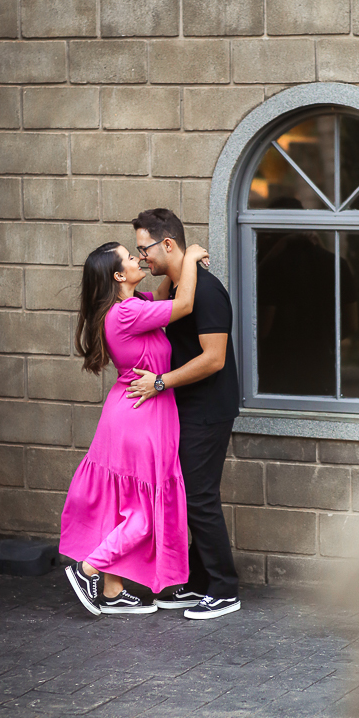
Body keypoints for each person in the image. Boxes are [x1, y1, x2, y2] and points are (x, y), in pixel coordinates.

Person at [60, 239, 209, 616]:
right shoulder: (125, 314)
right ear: (118, 275)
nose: (138, 258)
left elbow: (163, 290)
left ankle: (111, 592)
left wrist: (164, 259)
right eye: (131, 257)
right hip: (139, 416)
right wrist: (189, 255)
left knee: (125, 504)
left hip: (133, 412)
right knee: (143, 512)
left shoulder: (134, 304)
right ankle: (87, 570)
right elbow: (184, 304)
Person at [128, 209, 241, 621]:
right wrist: (186, 261)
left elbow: (213, 359)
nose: (142, 259)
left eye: (146, 250)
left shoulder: (207, 293)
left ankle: (225, 588)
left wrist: (160, 382)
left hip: (208, 409)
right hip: (187, 408)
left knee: (201, 498)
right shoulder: (177, 285)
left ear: (168, 244)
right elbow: (157, 307)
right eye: (138, 252)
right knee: (189, 497)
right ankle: (200, 582)